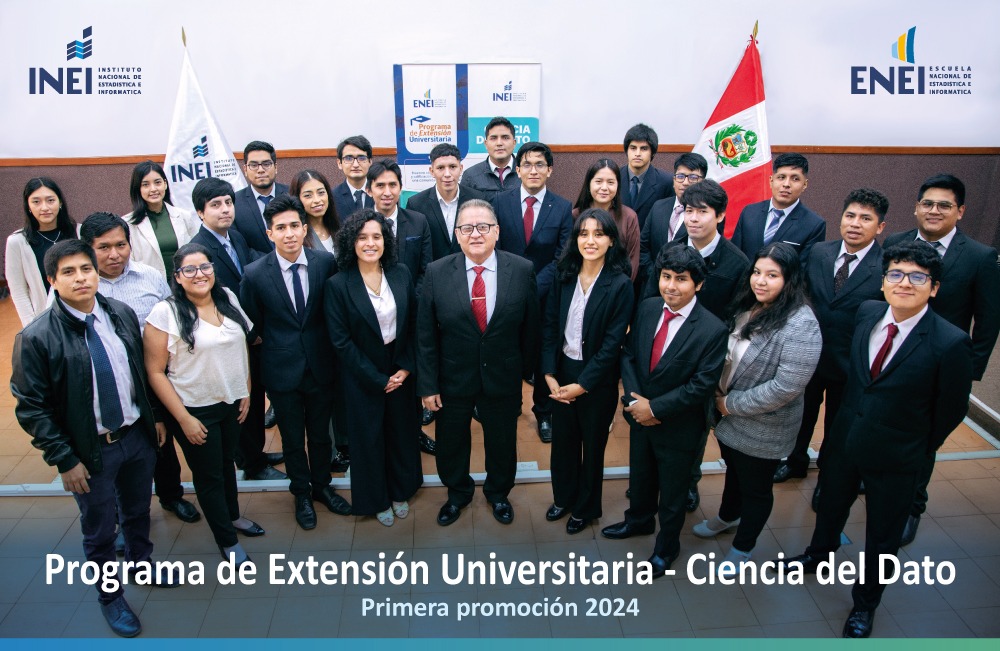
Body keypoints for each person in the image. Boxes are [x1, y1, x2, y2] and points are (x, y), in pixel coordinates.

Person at [781, 241, 973, 638]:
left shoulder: (950, 342)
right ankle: (819, 555)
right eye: (896, 274)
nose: (904, 283)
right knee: (830, 506)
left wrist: (915, 445)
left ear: (934, 288)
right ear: (883, 281)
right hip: (846, 440)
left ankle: (865, 604)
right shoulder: (867, 313)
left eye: (917, 277)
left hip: (897, 455)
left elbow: (949, 410)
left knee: (882, 537)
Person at [11, 239, 171, 636]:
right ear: (52, 280)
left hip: (135, 436)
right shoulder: (36, 337)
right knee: (99, 531)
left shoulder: (118, 313)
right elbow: (31, 407)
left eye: (86, 269)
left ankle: (141, 564)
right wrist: (64, 458)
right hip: (89, 452)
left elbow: (140, 371)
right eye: (68, 272)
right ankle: (110, 596)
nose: (81, 278)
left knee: (137, 512)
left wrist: (153, 417)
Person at [883, 173, 1000, 545]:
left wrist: (968, 371)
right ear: (917, 207)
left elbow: (988, 320)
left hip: (940, 366)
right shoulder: (896, 242)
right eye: (928, 203)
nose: (934, 211)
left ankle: (912, 506)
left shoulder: (981, 257)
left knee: (924, 438)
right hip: (890, 358)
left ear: (960, 211)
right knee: (888, 425)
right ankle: (883, 483)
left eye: (944, 205)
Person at [693, 242, 821, 570]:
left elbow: (786, 388)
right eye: (757, 272)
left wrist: (729, 405)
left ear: (790, 279)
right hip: (726, 417)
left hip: (761, 423)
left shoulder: (801, 324)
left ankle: (743, 547)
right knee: (733, 473)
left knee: (756, 489)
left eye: (772, 275)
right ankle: (727, 516)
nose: (760, 281)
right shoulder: (749, 304)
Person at [601, 245, 728, 578]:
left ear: (698, 284)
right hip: (640, 416)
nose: (671, 286)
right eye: (666, 277)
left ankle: (666, 548)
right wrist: (634, 402)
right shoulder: (647, 308)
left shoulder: (713, 330)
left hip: (679, 426)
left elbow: (701, 386)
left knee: (672, 493)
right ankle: (639, 521)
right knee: (641, 478)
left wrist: (654, 408)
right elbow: (628, 354)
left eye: (681, 279)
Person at [417, 199, 540, 526]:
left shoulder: (522, 269)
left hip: (503, 375)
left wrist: (524, 371)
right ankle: (457, 493)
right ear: (457, 234)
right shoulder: (437, 272)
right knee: (451, 443)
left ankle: (499, 493)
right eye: (466, 228)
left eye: (483, 226)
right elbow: (425, 334)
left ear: (497, 232)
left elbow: (531, 327)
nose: (475, 234)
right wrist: (428, 384)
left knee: (501, 443)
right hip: (452, 378)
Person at [144, 243, 265, 568]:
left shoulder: (226, 296)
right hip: (194, 410)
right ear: (178, 277)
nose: (199, 274)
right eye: (190, 269)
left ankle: (234, 517)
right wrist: (182, 418)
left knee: (226, 464)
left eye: (205, 267)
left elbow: (241, 347)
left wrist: (246, 391)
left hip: (232, 403)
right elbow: (155, 372)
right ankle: (228, 542)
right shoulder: (164, 312)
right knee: (209, 475)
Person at [240, 195, 351, 529]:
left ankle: (321, 487)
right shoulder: (255, 273)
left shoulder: (323, 263)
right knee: (291, 438)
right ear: (269, 233)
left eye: (294, 226)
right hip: (281, 370)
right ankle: (301, 492)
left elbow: (332, 312)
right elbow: (252, 324)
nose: (288, 234)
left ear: (304, 229)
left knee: (320, 436)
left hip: (320, 366)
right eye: (280, 228)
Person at [640, 180, 752, 513]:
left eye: (702, 212)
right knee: (654, 413)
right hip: (661, 348)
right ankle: (649, 482)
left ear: (719, 216)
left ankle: (687, 482)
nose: (694, 219)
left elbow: (735, 317)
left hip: (702, 357)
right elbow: (650, 295)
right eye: (689, 210)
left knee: (693, 424)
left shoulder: (736, 262)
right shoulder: (671, 248)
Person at [774, 189, 889, 499]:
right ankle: (795, 461)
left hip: (852, 364)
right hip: (808, 357)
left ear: (879, 227)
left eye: (866, 219)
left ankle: (829, 475)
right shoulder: (820, 253)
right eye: (850, 216)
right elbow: (801, 296)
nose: (855, 224)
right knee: (802, 414)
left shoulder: (885, 267)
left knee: (839, 425)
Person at [324, 211, 422, 526]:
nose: (370, 243)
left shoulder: (401, 272)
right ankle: (376, 498)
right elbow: (341, 343)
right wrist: (377, 378)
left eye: (377, 236)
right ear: (351, 242)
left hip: (399, 366)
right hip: (361, 373)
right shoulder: (338, 285)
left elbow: (414, 325)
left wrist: (405, 368)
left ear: (386, 241)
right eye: (362, 237)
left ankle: (400, 490)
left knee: (402, 433)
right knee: (369, 439)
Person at [542, 209, 633, 534]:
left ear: (611, 240)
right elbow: (550, 326)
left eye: (598, 234)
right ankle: (563, 498)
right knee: (563, 444)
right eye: (583, 233)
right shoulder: (562, 275)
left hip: (597, 380)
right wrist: (550, 374)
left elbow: (612, 346)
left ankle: (585, 508)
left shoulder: (620, 285)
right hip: (562, 372)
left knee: (592, 448)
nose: (590, 240)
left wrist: (582, 385)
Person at [189, 178, 285, 482]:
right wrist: (249, 330)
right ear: (200, 213)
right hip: (230, 338)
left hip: (251, 336)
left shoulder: (236, 238)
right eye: (215, 205)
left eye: (228, 202)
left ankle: (256, 453)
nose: (225, 210)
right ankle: (251, 464)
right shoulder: (199, 250)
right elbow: (214, 301)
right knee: (240, 404)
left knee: (254, 398)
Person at [493, 141, 573, 443]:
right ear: (517, 169)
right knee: (508, 352)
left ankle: (543, 412)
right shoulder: (501, 203)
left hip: (545, 297)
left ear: (550, 170)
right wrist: (514, 288)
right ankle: (511, 404)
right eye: (527, 164)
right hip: (505, 295)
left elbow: (562, 257)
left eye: (540, 164)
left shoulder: (563, 207)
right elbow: (495, 249)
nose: (533, 170)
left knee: (542, 356)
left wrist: (530, 288)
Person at [6, 178, 78, 327]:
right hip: (45, 321)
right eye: (36, 202)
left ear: (60, 203)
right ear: (28, 207)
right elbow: (18, 291)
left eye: (50, 200)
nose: (44, 207)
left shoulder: (80, 232)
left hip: (81, 315)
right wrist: (32, 326)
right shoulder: (17, 241)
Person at [730, 153, 826, 262]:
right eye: (781, 177)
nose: (786, 184)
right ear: (771, 180)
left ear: (804, 184)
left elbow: (805, 270)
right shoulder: (749, 212)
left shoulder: (814, 225)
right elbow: (734, 257)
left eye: (795, 179)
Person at [79, 212, 170, 327]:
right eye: (104, 247)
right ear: (87, 249)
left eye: (120, 245)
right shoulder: (75, 284)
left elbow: (172, 321)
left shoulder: (151, 276)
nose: (114, 255)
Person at [407, 143, 488, 262]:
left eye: (452, 167)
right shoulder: (416, 204)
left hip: (469, 271)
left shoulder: (477, 199)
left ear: (460, 169)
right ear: (431, 171)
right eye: (440, 168)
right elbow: (415, 249)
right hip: (433, 275)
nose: (447, 174)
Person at [638, 153, 708, 286]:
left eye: (693, 177)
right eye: (680, 176)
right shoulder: (658, 206)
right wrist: (657, 275)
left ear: (703, 182)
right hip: (652, 284)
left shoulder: (707, 214)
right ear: (674, 180)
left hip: (687, 288)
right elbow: (643, 247)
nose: (685, 182)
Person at [123, 160, 200, 279]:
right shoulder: (127, 224)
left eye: (157, 182)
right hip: (150, 287)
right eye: (146, 185)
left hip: (186, 284)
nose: (153, 189)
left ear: (165, 184)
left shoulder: (184, 216)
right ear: (138, 188)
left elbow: (197, 252)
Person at [366, 159, 432, 292]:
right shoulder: (359, 226)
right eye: (380, 186)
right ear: (369, 190)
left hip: (411, 301)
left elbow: (425, 269)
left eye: (392, 185)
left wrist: (413, 301)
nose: (387, 192)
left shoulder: (418, 221)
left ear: (400, 188)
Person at [572, 158, 640, 281]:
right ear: (589, 184)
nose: (604, 188)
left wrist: (622, 287)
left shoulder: (629, 217)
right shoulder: (575, 215)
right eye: (598, 181)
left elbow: (633, 260)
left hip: (617, 288)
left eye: (610, 182)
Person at [232, 140, 289, 256]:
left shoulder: (292, 194)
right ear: (245, 170)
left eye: (266, 164)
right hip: (257, 270)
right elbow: (240, 246)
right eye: (253, 165)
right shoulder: (234, 203)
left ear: (276, 167)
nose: (260, 170)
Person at [619, 123, 674, 230]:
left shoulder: (666, 182)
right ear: (627, 150)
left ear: (652, 152)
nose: (637, 153)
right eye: (633, 148)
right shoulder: (614, 178)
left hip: (650, 244)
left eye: (644, 149)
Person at [462, 116, 522, 201]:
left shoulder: (526, 172)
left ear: (514, 143)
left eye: (505, 137)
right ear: (486, 144)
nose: (499, 143)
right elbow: (464, 210)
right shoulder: (470, 175)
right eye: (493, 138)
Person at [291, 169, 341, 255]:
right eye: (308, 196)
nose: (317, 200)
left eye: (321, 193)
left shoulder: (339, 227)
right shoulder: (296, 236)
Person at [332, 135, 375, 220]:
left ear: (370, 161)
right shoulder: (332, 197)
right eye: (348, 158)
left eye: (362, 158)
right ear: (339, 163)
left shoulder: (380, 193)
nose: (355, 165)